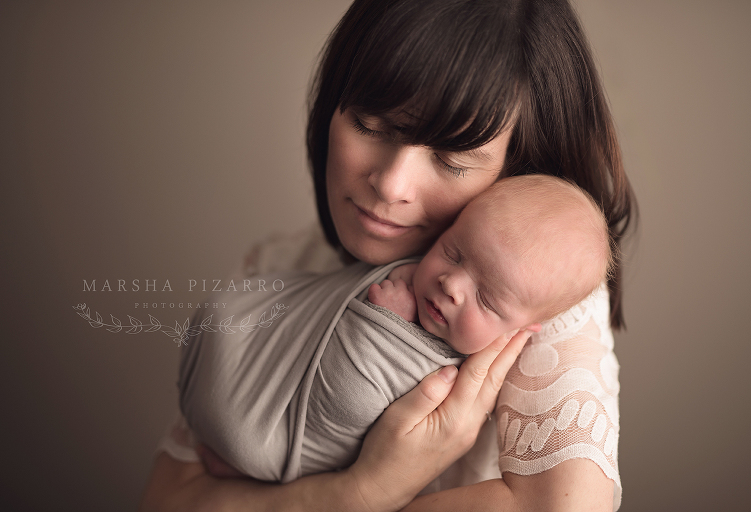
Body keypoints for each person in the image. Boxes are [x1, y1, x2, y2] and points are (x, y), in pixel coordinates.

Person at [139, 0, 636, 510]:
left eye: (453, 159)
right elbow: (163, 497)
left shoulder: (536, 298)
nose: (392, 184)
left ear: (517, 168)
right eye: (373, 125)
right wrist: (362, 491)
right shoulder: (282, 263)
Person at [177, 175, 613, 484]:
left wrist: (380, 328)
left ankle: (257, 463)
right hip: (240, 366)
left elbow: (353, 405)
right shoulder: (395, 255)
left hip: (273, 439)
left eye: (487, 299)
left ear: (523, 329)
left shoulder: (522, 362)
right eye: (454, 252)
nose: (452, 285)